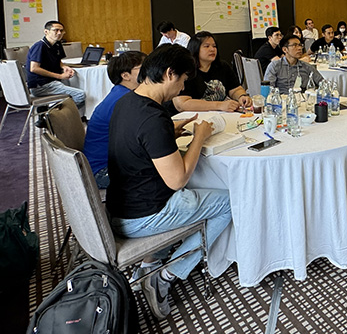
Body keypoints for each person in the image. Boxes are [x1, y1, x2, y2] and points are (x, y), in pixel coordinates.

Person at [107, 44, 232, 320]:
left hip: (119, 204)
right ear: (169, 74)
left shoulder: (127, 103)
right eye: (184, 79)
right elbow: (178, 179)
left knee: (200, 191)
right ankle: (167, 274)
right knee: (232, 203)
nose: (183, 86)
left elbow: (140, 145)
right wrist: (200, 135)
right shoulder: (152, 118)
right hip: (143, 215)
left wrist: (169, 132)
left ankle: (151, 261)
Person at [83, 51, 147, 189]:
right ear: (125, 76)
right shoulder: (125, 101)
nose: (150, 70)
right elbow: (143, 140)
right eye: (144, 66)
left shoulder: (121, 93)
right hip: (103, 171)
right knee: (166, 171)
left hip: (104, 164)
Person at [175, 31, 251, 112]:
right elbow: (182, 104)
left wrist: (241, 96)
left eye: (214, 46)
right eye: (206, 46)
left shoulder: (223, 66)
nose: (212, 49)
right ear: (196, 48)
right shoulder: (186, 71)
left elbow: (235, 89)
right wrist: (219, 105)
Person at [25, 20, 86, 109]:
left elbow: (58, 61)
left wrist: (64, 67)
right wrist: (59, 76)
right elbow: (34, 68)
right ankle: (54, 116)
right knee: (80, 95)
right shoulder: (39, 46)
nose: (59, 33)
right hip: (41, 86)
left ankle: (49, 114)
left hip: (52, 82)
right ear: (46, 31)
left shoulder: (57, 44)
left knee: (74, 83)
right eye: (56, 30)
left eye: (61, 31)